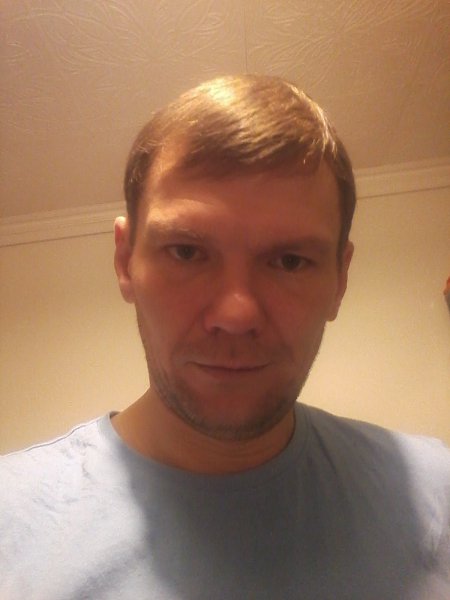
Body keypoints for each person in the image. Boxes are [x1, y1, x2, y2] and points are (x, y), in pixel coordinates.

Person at [1, 74, 449, 600]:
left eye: (289, 261)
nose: (236, 315)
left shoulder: (435, 494)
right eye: (187, 252)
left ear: (340, 279)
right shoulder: (12, 523)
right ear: (125, 261)